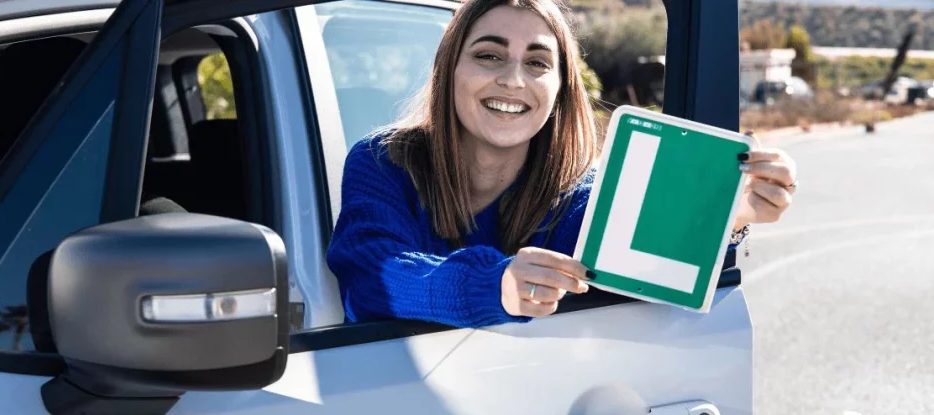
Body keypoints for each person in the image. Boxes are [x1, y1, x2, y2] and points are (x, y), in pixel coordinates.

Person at [325, 0, 798, 328]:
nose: (512, 80)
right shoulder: (383, 163)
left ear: (559, 90)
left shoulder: (582, 198)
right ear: (449, 71)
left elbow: (644, 274)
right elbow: (373, 277)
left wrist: (726, 215)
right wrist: (496, 285)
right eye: (488, 55)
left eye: (537, 63)